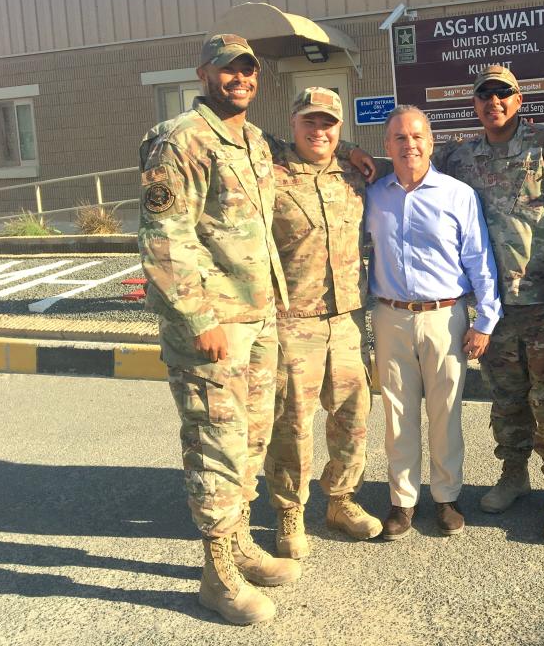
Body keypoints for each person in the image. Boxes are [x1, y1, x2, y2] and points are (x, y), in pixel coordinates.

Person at [137, 34, 299, 625]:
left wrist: (362, 155)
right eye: (229, 69)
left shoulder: (253, 140)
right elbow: (164, 236)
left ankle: (239, 545)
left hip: (257, 320)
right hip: (212, 328)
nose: (241, 78)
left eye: (249, 70)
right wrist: (200, 318)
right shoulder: (178, 140)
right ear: (204, 72)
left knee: (252, 441)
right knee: (217, 445)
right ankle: (216, 576)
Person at [434, 66, 544, 542]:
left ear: (519, 98)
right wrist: (354, 154)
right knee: (506, 400)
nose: (494, 102)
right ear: (475, 105)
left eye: (503, 93)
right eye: (485, 96)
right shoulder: (460, 158)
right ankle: (513, 473)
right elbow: (411, 163)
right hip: (494, 308)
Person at [366, 105, 501, 541]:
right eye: (400, 138)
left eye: (418, 137)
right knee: (397, 413)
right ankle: (402, 501)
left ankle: (446, 497)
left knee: (446, 413)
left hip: (445, 317)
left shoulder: (457, 194)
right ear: (387, 146)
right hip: (390, 317)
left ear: (431, 142)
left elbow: (480, 260)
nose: (410, 145)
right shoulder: (374, 195)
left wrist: (485, 321)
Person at [262, 87, 383, 559]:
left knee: (353, 417)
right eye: (309, 121)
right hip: (294, 321)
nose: (319, 130)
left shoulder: (354, 173)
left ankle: (341, 501)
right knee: (291, 424)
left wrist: (354, 148)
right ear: (293, 124)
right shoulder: (269, 172)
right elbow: (246, 137)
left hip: (348, 318)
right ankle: (290, 513)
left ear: (339, 128)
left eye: (328, 123)